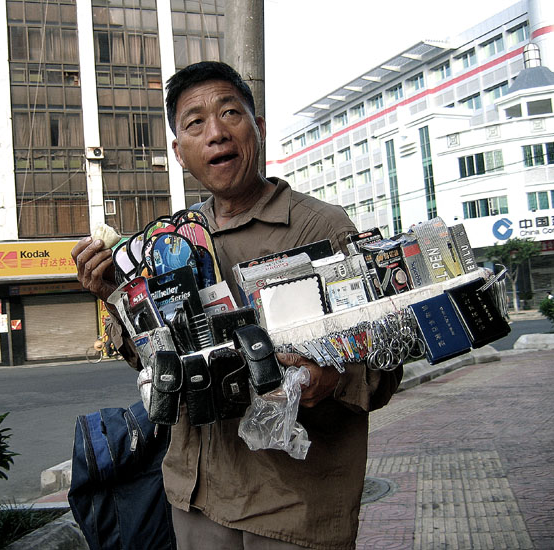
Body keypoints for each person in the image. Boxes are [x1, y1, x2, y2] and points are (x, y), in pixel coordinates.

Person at [72, 61, 402, 549]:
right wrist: (117, 299)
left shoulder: (321, 229)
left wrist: (330, 379)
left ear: (258, 128)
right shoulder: (169, 242)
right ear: (180, 153)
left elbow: (385, 357)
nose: (216, 134)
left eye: (230, 113)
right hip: (197, 495)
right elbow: (156, 363)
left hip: (293, 507)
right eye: (195, 124)